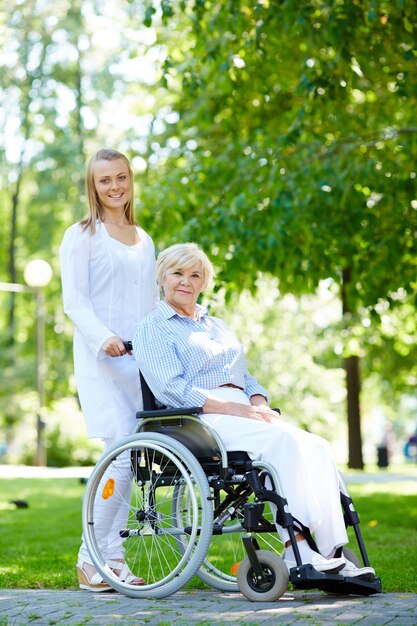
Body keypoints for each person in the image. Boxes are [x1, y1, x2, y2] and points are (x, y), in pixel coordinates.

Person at [133, 242, 376, 580]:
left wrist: (258, 403)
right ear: (162, 276)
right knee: (284, 445)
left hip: (242, 410)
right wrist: (231, 408)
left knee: (318, 446)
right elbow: (171, 389)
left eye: (195, 275)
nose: (186, 281)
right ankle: (297, 549)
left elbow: (245, 377)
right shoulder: (153, 327)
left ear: (204, 283)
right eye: (177, 273)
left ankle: (333, 550)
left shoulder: (215, 325)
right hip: (198, 417)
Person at [60, 148, 159, 591]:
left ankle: (109, 559)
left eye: (121, 177)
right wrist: (104, 338)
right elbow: (75, 302)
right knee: (118, 460)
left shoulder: (143, 238)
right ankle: (93, 559)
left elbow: (151, 305)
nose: (115, 186)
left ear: (130, 181)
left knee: (131, 462)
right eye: (105, 180)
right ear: (93, 186)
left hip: (142, 360)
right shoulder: (81, 236)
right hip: (103, 358)